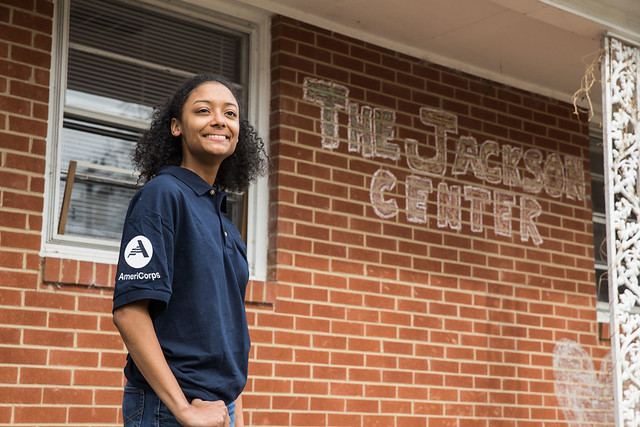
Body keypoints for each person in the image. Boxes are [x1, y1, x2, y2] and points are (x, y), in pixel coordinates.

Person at [112, 73, 268, 426]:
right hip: (170, 408)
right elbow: (130, 312)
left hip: (219, 408)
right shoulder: (163, 195)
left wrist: (234, 411)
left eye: (230, 114)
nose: (219, 120)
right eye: (203, 110)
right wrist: (183, 410)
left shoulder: (225, 221)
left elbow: (224, 328)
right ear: (176, 127)